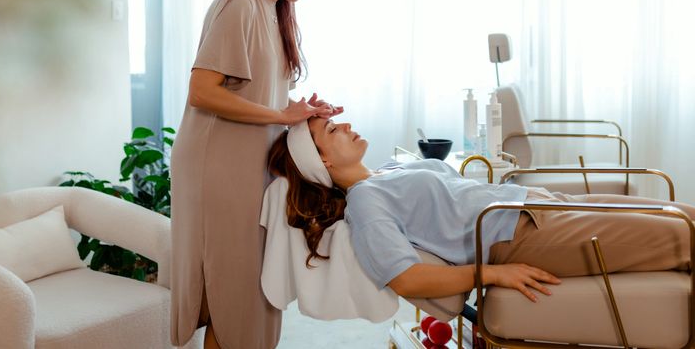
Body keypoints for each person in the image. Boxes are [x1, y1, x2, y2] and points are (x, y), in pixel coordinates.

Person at [267, 117, 695, 303]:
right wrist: (492, 273)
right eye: (331, 130)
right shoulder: (366, 201)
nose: (344, 124)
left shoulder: (388, 171)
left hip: (541, 204)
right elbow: (404, 277)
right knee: (684, 236)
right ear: (322, 162)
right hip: (523, 236)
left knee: (682, 212)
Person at [170, 0, 343, 349]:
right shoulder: (240, 4)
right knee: (237, 291)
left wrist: (298, 112)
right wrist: (281, 117)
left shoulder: (273, 10)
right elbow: (202, 92)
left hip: (248, 167)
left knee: (248, 291)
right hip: (217, 168)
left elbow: (260, 100)